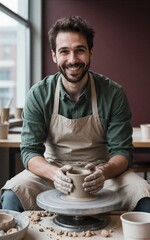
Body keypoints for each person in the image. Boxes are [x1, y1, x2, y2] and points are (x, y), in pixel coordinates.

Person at [1, 16, 150, 212]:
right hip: (53, 173)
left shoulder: (113, 93)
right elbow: (29, 151)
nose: (73, 60)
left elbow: (122, 152)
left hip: (102, 175)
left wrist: (103, 172)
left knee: (142, 195)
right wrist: (54, 174)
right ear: (54, 55)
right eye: (64, 51)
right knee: (13, 193)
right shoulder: (39, 94)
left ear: (90, 52)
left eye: (80, 50)